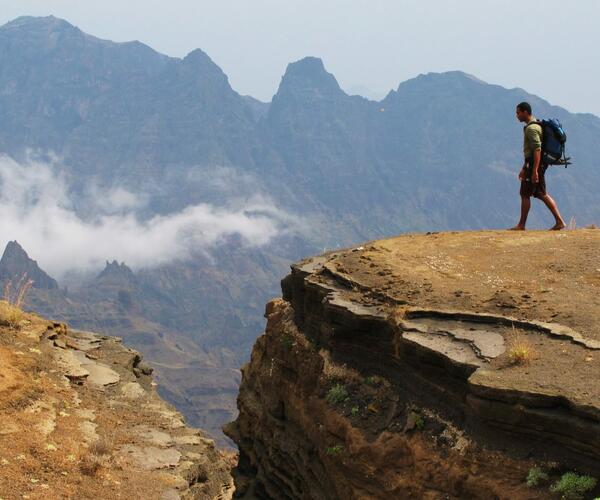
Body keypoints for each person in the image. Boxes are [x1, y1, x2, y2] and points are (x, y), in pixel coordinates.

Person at [510, 102, 566, 231]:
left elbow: (537, 150)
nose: (517, 115)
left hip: (536, 165)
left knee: (527, 193)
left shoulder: (531, 129)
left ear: (525, 112)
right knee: (539, 193)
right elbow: (531, 152)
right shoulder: (535, 125)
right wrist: (524, 168)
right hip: (534, 165)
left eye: (518, 112)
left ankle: (522, 225)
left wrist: (534, 170)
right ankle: (559, 221)